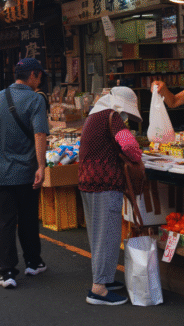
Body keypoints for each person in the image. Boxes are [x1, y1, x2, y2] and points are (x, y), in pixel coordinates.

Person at [0, 58, 49, 289]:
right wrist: (41, 166)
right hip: (25, 172)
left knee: (6, 222)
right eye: (39, 76)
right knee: (29, 219)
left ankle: (7, 272)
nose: (39, 80)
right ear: (32, 75)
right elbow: (40, 135)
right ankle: (33, 262)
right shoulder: (36, 99)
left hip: (0, 173)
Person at [78, 86, 143, 305]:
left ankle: (103, 279)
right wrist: (140, 156)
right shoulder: (111, 116)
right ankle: (99, 289)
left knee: (98, 233)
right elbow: (130, 145)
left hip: (88, 179)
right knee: (108, 234)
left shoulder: (95, 114)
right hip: (105, 181)